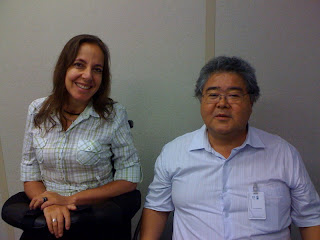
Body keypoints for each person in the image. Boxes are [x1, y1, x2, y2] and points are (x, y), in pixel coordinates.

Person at [140, 56, 320, 239]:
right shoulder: (174, 152)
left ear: (251, 102)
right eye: (213, 95)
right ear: (201, 100)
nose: (222, 103)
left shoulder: (283, 154)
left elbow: (311, 219)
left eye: (233, 95)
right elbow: (156, 208)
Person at [20, 34, 142, 239]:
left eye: (97, 69)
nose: (87, 76)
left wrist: (69, 200)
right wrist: (48, 204)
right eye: (79, 64)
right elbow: (30, 174)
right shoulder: (37, 110)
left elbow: (129, 179)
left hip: (92, 217)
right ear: (64, 68)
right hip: (49, 216)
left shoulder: (114, 114)